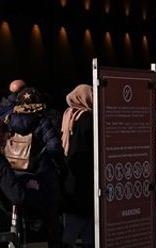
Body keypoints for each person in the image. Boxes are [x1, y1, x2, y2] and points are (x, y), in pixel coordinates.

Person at [4, 87, 64, 247]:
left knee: (17, 218)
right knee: (50, 219)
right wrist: (59, 166)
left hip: (15, 176)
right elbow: (54, 147)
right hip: (42, 176)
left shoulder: (9, 119)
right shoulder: (43, 121)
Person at [59, 85, 95, 247]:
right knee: (83, 217)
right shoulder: (88, 118)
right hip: (85, 176)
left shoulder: (69, 114)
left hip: (70, 174)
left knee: (78, 216)